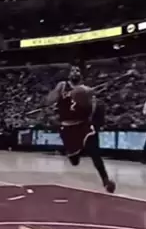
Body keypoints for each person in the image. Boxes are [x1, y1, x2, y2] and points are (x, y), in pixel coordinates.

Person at [46, 65, 116, 193]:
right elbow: (49, 101)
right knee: (74, 161)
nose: (75, 72)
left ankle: (106, 180)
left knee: (95, 152)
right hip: (67, 127)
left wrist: (89, 105)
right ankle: (78, 151)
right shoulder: (62, 85)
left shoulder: (86, 90)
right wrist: (56, 94)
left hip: (83, 125)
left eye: (77, 70)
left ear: (81, 75)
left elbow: (93, 107)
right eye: (73, 70)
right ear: (69, 74)